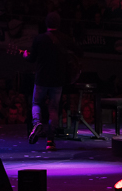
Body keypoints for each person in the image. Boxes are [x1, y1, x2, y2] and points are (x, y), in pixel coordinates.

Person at [23, 12, 79, 151]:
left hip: (42, 78)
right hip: (58, 79)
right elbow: (78, 52)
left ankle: (37, 123)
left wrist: (25, 55)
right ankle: (50, 141)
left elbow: (32, 59)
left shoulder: (39, 39)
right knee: (54, 108)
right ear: (59, 24)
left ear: (46, 23)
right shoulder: (65, 39)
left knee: (36, 103)